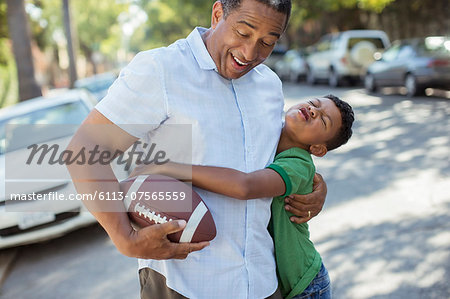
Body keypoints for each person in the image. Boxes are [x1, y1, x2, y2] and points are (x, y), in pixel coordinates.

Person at [66, 0, 328, 298]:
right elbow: (84, 149)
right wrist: (123, 237)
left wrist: (314, 186)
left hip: (263, 281)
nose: (250, 53)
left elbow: (277, 158)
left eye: (267, 42)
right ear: (218, 14)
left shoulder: (269, 85)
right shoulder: (161, 70)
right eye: (243, 33)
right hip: (185, 284)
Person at [132, 95, 355, 299]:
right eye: (314, 103)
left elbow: (245, 187)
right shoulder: (267, 129)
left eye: (323, 120)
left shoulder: (299, 164)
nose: (314, 111)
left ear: (317, 149)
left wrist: (169, 168)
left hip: (304, 284)